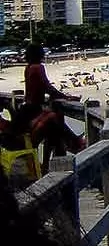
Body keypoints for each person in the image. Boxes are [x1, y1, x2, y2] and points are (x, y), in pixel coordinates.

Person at [11, 43, 85, 172]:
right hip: (32, 111)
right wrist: (67, 97)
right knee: (54, 119)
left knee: (54, 129)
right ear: (39, 54)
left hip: (26, 111)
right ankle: (74, 143)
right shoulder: (38, 67)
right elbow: (47, 87)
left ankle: (51, 162)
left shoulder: (28, 67)